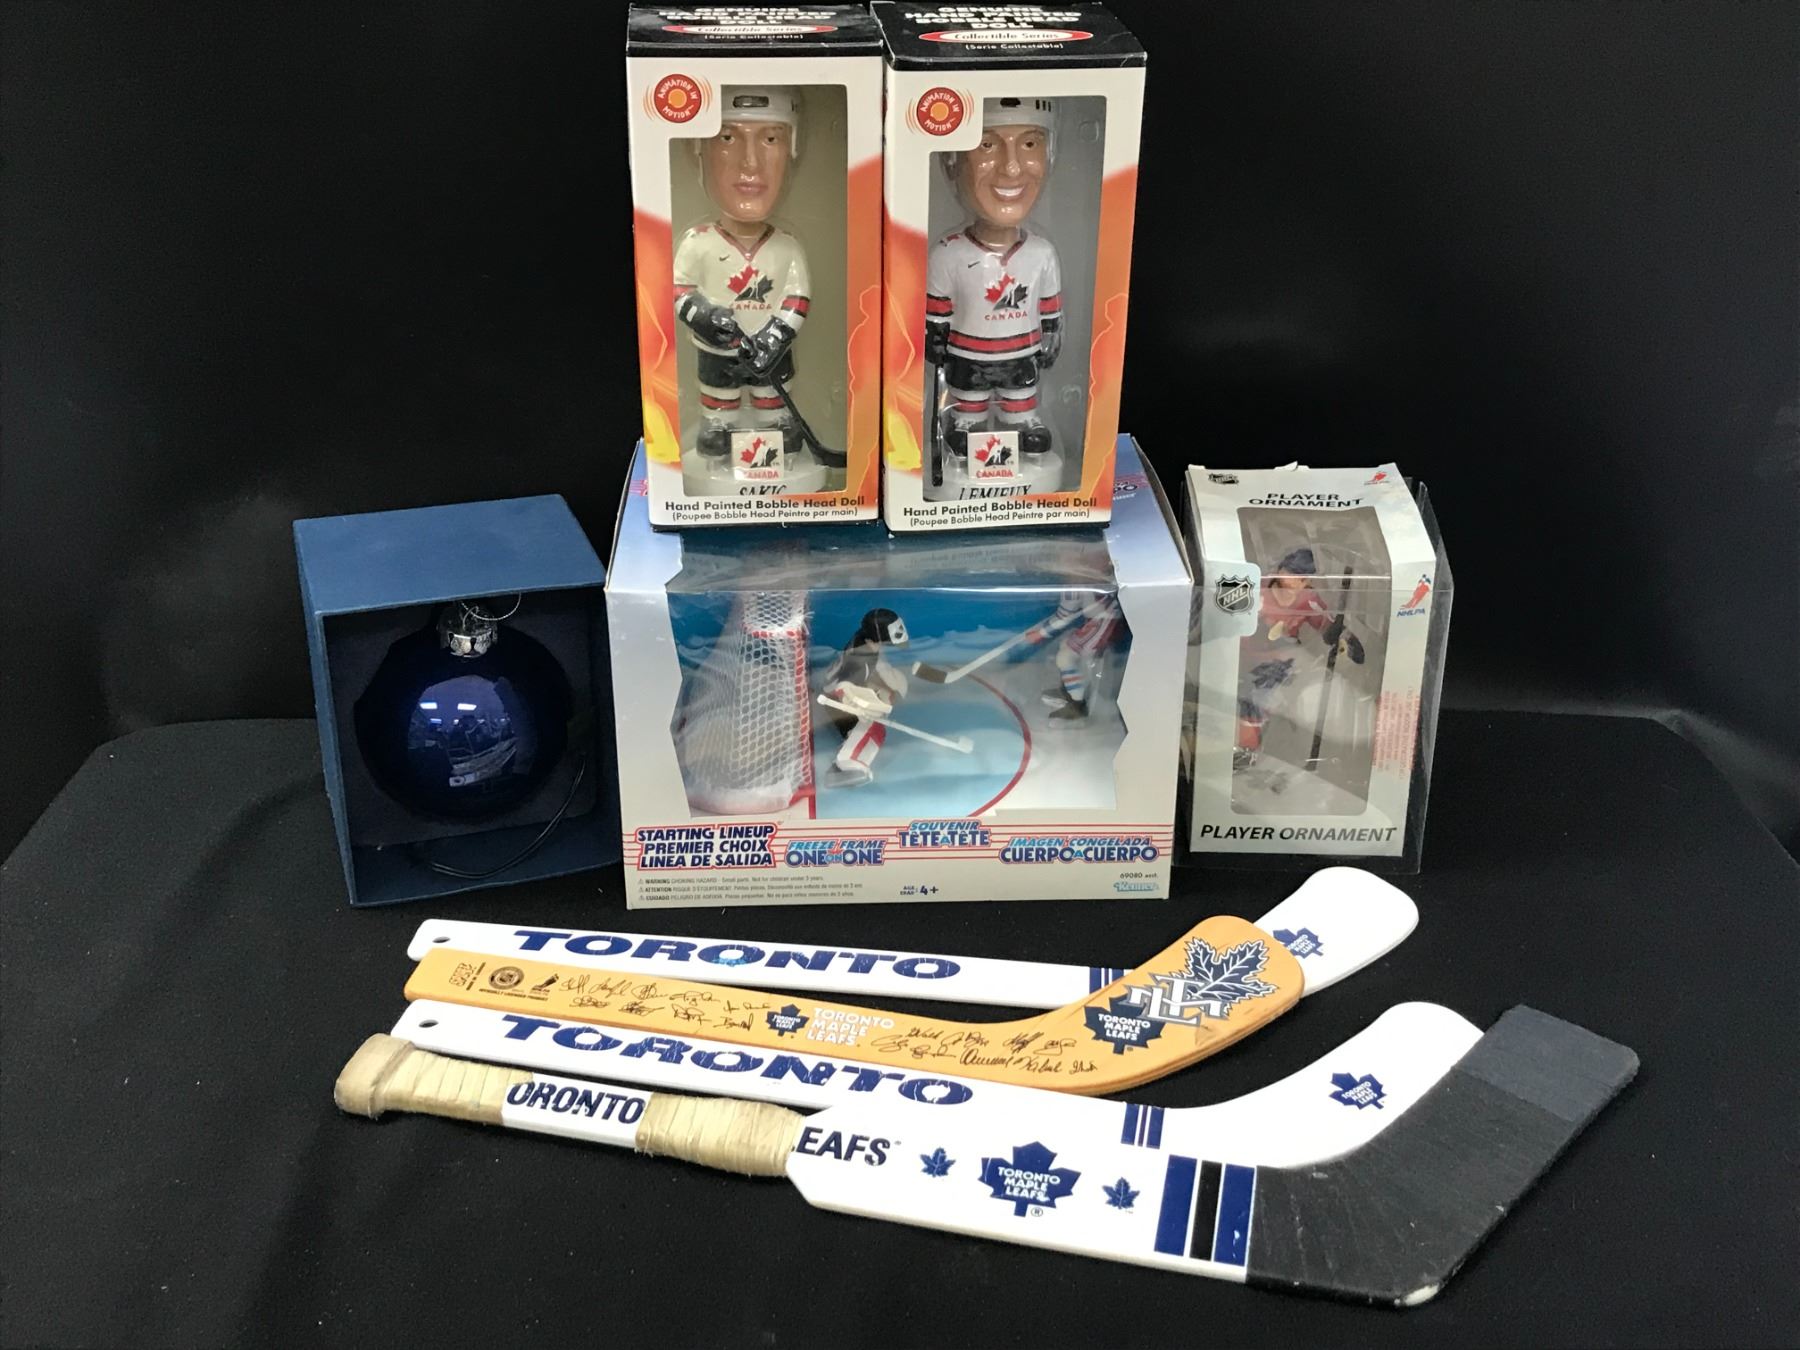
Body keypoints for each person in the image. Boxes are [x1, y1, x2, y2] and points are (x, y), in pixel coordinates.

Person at [671, 87, 811, 464]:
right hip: (719, 351)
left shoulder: (786, 246)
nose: (750, 162)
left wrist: (776, 334)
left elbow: (797, 297)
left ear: (792, 149)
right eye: (728, 138)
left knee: (772, 394)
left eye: (770, 139)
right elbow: (681, 289)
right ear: (699, 149)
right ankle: (718, 424)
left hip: (770, 352)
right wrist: (703, 315)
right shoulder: (698, 243)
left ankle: (778, 424)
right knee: (719, 391)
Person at [925, 97, 1062, 468]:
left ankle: (1021, 422)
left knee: (1020, 397)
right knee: (968, 398)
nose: (1012, 167)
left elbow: (1049, 308)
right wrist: (935, 338)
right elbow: (938, 309)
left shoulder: (1041, 253)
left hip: (1021, 353)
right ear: (953, 161)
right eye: (986, 144)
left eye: (1030, 143)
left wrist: (1051, 334)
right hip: (968, 356)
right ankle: (965, 423)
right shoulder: (948, 253)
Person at [1235, 547, 1365, 770]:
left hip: (1281, 661)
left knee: (1260, 696)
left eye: (1302, 578)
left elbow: (1327, 624)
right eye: (1291, 573)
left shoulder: (1308, 599)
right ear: (1280, 571)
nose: (1295, 581)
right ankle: (1247, 745)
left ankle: (1249, 749)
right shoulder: (1257, 589)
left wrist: (1345, 638)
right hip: (1245, 655)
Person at [821, 609, 912, 785]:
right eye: (884, 642)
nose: (885, 646)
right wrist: (863, 707)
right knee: (874, 727)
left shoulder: (865, 642)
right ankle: (848, 764)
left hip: (843, 686)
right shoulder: (859, 662)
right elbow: (843, 687)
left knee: (888, 690)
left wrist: (892, 685)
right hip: (837, 701)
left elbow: (879, 663)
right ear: (873, 640)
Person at [1037, 590, 1124, 722]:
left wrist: (1041, 633)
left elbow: (1064, 616)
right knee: (1065, 644)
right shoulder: (1080, 586)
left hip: (1104, 624)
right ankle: (1069, 689)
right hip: (1099, 622)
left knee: (1065, 657)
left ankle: (1078, 704)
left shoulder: (1074, 589)